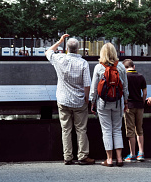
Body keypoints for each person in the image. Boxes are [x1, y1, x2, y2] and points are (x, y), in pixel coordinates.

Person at [45, 34, 95, 166]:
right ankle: (83, 156)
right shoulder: (83, 63)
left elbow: (48, 52)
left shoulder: (59, 58)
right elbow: (87, 84)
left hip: (63, 100)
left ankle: (67, 157)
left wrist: (59, 41)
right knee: (81, 129)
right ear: (77, 49)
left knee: (66, 129)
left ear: (66, 48)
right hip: (79, 102)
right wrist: (86, 98)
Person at [90, 43, 129, 167]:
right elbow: (125, 87)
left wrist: (92, 102)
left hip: (103, 102)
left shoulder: (98, 67)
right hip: (118, 101)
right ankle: (119, 159)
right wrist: (126, 102)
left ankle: (109, 159)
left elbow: (94, 88)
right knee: (117, 129)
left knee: (106, 130)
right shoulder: (121, 67)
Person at [122, 59, 147, 162]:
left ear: (124, 68)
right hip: (139, 106)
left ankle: (132, 154)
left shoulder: (125, 77)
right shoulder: (141, 77)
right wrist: (142, 101)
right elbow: (144, 92)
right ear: (134, 66)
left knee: (130, 130)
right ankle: (141, 153)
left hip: (129, 106)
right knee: (139, 129)